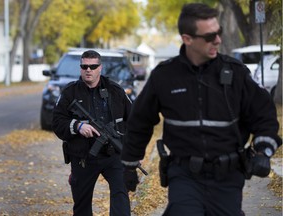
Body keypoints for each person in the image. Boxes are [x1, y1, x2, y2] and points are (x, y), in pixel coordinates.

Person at [121, 3, 282, 216]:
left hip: (228, 177)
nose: (218, 40)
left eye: (219, 33)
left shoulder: (235, 74)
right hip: (184, 175)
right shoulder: (165, 76)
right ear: (187, 39)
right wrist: (129, 164)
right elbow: (140, 121)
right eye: (209, 36)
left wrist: (263, 151)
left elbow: (264, 115)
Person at [52, 50, 132, 216]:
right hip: (83, 157)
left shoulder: (115, 91)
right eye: (84, 66)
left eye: (93, 66)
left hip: (113, 155)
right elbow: (57, 123)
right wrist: (77, 126)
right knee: (82, 206)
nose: (88, 69)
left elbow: (133, 120)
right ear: (80, 68)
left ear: (100, 68)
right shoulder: (70, 92)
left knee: (121, 195)